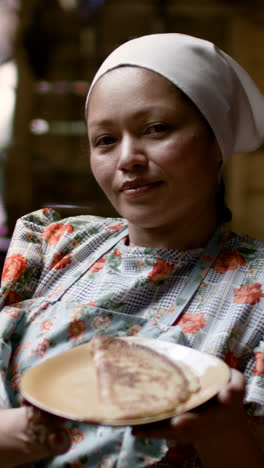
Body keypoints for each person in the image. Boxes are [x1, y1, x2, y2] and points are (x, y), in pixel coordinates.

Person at [0, 33, 264, 468]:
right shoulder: (56, 243)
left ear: (216, 139)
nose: (128, 158)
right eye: (105, 140)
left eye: (156, 129)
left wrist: (222, 430)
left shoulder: (254, 288)